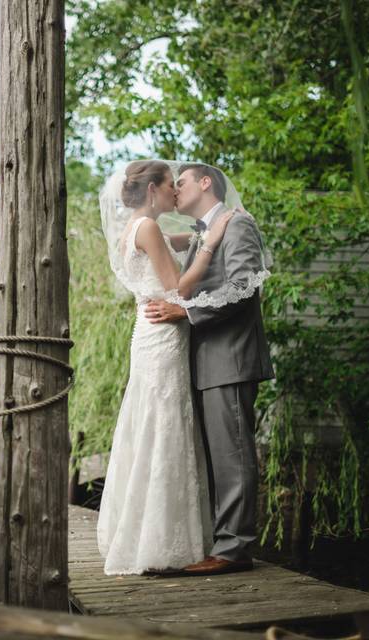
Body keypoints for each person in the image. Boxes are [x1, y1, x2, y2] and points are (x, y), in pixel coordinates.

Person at [95, 160, 234, 575]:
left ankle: (143, 531)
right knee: (165, 422)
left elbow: (178, 242)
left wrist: (199, 235)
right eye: (171, 184)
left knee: (152, 422)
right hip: (163, 334)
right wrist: (214, 241)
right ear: (153, 190)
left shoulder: (135, 228)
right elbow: (176, 287)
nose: (176, 190)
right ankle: (161, 540)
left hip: (148, 332)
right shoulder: (148, 228)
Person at [144, 163, 274, 575]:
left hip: (232, 358)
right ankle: (220, 541)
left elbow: (242, 288)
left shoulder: (237, 224)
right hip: (205, 361)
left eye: (180, 183)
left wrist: (183, 312)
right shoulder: (203, 231)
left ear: (205, 183)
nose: (175, 190)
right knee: (217, 457)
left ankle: (234, 550)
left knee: (233, 456)